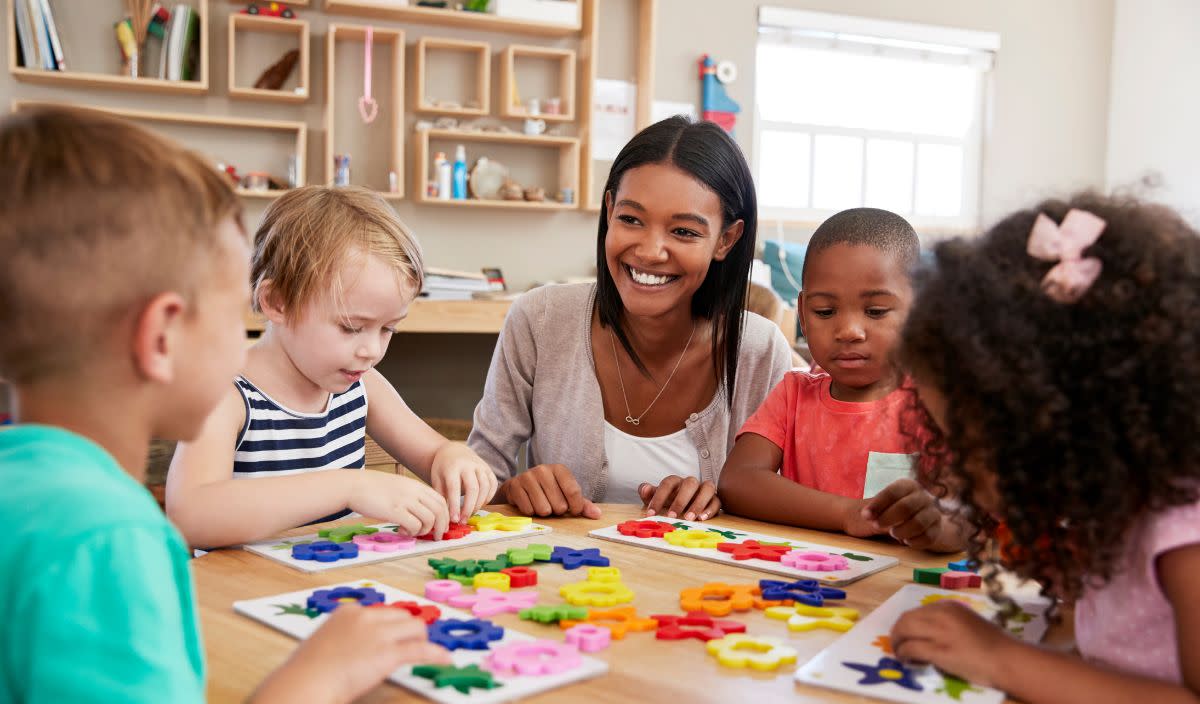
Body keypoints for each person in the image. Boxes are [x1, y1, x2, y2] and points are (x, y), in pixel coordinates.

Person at [0, 106, 449, 704]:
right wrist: (319, 679)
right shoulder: (106, 541)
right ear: (162, 337)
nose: (241, 343)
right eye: (228, 314)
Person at [890, 194, 1200, 704]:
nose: (956, 468)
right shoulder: (1110, 506)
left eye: (967, 446)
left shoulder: (1183, 529)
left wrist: (1000, 659)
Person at [469, 116, 793, 521]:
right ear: (609, 210)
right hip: (566, 581)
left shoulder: (760, 351)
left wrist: (721, 505)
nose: (650, 251)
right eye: (631, 219)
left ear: (726, 240)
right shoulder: (540, 319)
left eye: (684, 232)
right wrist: (511, 492)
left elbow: (782, 509)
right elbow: (476, 478)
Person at [169, 186, 497, 548]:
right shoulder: (225, 394)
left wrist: (454, 457)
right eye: (351, 327)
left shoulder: (363, 385)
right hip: (234, 595)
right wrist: (348, 486)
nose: (371, 349)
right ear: (277, 301)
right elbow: (190, 516)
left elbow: (434, 452)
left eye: (388, 329)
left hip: (335, 591)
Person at [721, 208, 965, 551]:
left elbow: (971, 515)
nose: (848, 331)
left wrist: (936, 528)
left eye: (876, 311)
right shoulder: (793, 394)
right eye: (825, 311)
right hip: (805, 580)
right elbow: (737, 481)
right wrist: (847, 514)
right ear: (803, 313)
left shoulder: (938, 402)